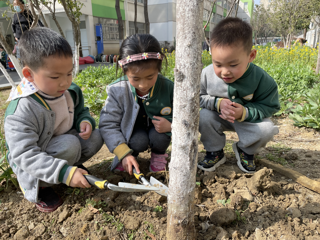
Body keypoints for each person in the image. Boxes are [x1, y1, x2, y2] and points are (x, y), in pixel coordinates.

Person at [4, 28, 103, 213]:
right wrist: (64, 172)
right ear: (29, 75)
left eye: (69, 73)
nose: (65, 82)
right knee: (71, 144)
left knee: (96, 137)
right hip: (33, 163)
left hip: (60, 145)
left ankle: (66, 168)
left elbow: (81, 110)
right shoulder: (21, 110)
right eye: (55, 77)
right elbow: (24, 155)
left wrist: (85, 121)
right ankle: (41, 187)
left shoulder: (69, 91)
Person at [198, 18, 280, 173]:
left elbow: (270, 106)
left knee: (267, 129)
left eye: (233, 65)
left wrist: (245, 112)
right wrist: (217, 103)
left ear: (251, 56)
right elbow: (198, 97)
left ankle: (246, 150)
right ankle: (214, 151)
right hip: (217, 117)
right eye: (218, 64)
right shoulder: (207, 74)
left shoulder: (262, 79)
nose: (225, 72)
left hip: (247, 121)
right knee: (203, 116)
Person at [99, 34, 173, 175]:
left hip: (158, 132)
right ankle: (130, 155)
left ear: (159, 68)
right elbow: (108, 125)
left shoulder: (169, 88)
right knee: (137, 141)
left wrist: (171, 125)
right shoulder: (117, 90)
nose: (143, 85)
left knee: (160, 136)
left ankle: (158, 155)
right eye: (135, 78)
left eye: (150, 77)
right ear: (124, 70)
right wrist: (123, 153)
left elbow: (185, 117)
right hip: (133, 135)